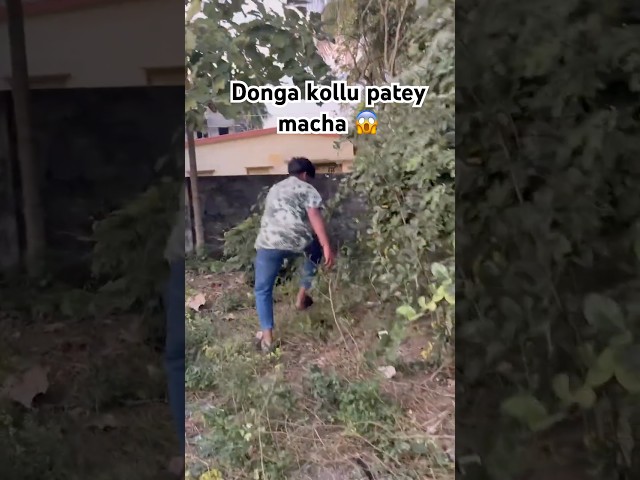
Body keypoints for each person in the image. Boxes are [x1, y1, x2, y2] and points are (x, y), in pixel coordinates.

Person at [253, 157, 335, 352]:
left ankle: (267, 339)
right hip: (296, 240)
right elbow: (314, 217)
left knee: (262, 289)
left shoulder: (274, 188)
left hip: (268, 241)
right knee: (314, 251)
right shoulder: (307, 189)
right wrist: (326, 246)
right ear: (305, 175)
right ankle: (301, 297)